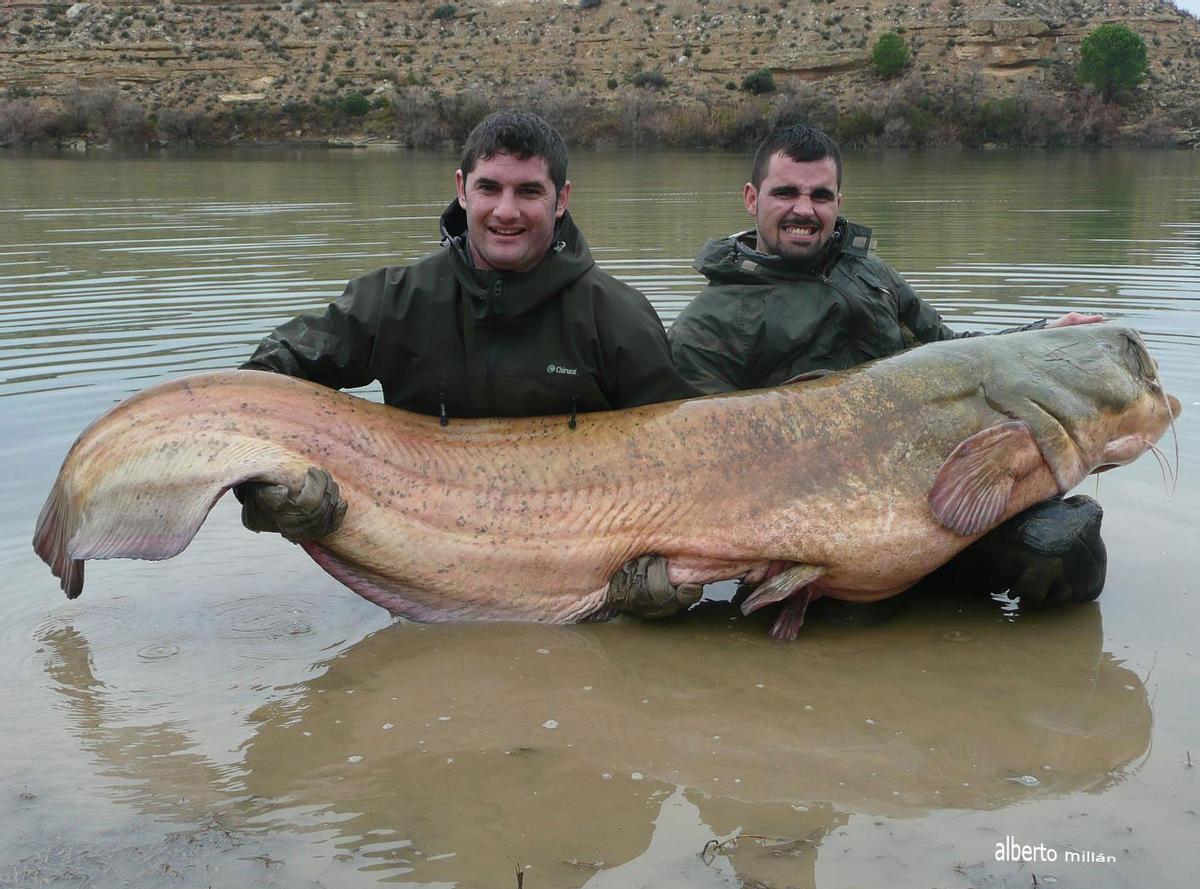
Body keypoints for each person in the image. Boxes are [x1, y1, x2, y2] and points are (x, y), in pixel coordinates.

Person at [237, 110, 700, 616]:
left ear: (561, 199)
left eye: (529, 192)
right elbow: (260, 386)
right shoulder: (395, 299)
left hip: (581, 583)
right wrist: (270, 493)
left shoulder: (618, 316)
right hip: (419, 577)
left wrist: (664, 575)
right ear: (462, 189)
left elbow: (686, 462)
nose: (507, 211)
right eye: (489, 188)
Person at [668, 124, 1107, 615]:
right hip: (812, 526)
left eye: (820, 195)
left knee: (1068, 551)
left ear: (838, 200)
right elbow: (693, 458)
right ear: (752, 198)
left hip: (934, 492)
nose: (804, 210)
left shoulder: (872, 275)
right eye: (786, 192)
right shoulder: (707, 325)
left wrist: (1042, 334)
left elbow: (951, 353)